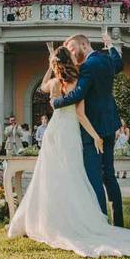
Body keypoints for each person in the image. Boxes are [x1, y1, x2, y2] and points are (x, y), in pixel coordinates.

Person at [8, 41, 130, 258]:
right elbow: (81, 115)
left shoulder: (54, 83)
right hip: (72, 133)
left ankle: (49, 220)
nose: (75, 57)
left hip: (53, 133)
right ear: (68, 61)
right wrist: (96, 137)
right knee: (78, 176)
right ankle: (96, 220)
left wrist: (50, 67)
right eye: (71, 54)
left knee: (50, 177)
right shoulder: (75, 81)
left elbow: (44, 84)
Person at [51, 32, 125, 227]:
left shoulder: (87, 67)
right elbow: (119, 64)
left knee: (94, 176)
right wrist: (110, 45)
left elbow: (78, 95)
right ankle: (118, 222)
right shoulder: (106, 59)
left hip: (93, 129)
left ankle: (100, 223)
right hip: (110, 124)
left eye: (73, 48)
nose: (72, 52)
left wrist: (56, 102)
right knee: (109, 174)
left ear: (84, 44)